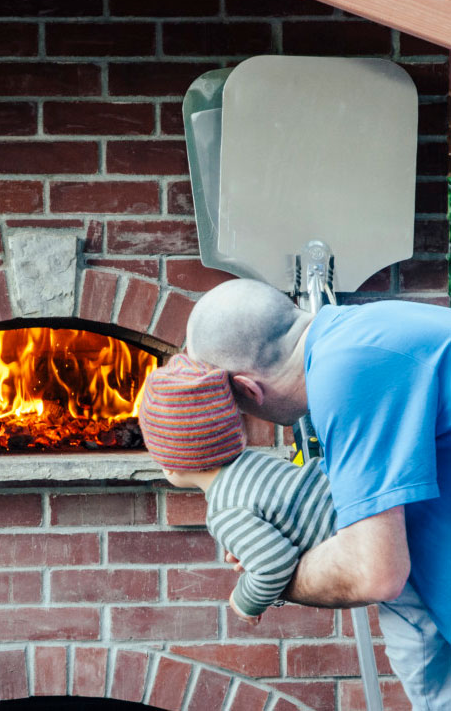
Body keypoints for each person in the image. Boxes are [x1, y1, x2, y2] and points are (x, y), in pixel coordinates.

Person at [185, 278, 451, 708]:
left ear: (248, 389)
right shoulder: (363, 333)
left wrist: (272, 576)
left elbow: (375, 572)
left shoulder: (350, 373)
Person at [139, 353, 336, 624]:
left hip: (355, 537)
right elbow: (290, 525)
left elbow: (274, 565)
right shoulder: (256, 462)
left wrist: (245, 602)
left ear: (172, 463)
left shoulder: (224, 510)